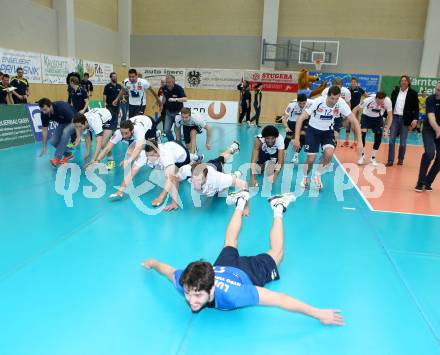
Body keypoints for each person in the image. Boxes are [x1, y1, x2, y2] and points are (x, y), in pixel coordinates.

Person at [142, 190, 344, 326]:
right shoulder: (187, 282)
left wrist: (318, 313)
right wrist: (152, 263)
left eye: (196, 296)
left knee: (277, 253)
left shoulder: (236, 295)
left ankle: (278, 208)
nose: (190, 300)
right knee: (229, 242)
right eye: (188, 294)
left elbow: (280, 300)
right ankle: (240, 201)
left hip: (248, 273)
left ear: (212, 288)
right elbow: (167, 270)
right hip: (220, 268)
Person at [294, 86, 363, 190]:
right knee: (311, 158)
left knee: (329, 154)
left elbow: (355, 121)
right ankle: (305, 177)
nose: (334, 101)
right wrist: (296, 138)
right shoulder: (318, 102)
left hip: (327, 131)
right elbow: (300, 119)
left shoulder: (341, 103)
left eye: (336, 98)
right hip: (313, 131)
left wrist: (360, 142)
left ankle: (317, 175)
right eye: (332, 98)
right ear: (327, 96)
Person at [109, 139, 199, 210]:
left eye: (151, 156)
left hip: (182, 156)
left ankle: (194, 158)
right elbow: (132, 172)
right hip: (171, 145)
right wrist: (120, 190)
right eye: (148, 156)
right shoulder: (145, 154)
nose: (149, 158)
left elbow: (170, 179)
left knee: (177, 176)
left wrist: (161, 198)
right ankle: (196, 157)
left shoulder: (166, 156)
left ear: (157, 151)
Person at [352, 92, 393, 166]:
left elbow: (390, 116)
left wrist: (386, 130)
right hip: (366, 117)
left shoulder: (388, 102)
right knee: (362, 135)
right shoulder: (368, 100)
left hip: (378, 118)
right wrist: (355, 123)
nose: (379, 103)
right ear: (375, 98)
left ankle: (373, 158)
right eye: (378, 101)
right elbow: (355, 109)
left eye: (381, 102)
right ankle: (362, 156)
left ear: (384, 99)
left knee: (378, 137)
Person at [386, 75, 419, 166]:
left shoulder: (413, 93)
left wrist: (415, 119)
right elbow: (390, 105)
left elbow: (416, 108)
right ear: (400, 82)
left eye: (405, 80)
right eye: (402, 80)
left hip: (405, 119)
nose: (403, 82)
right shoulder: (395, 92)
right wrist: (386, 116)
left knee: (403, 143)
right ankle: (390, 160)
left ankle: (400, 159)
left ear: (408, 82)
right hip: (395, 118)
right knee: (391, 140)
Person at [415, 83, 440, 192]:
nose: (438, 92)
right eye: (437, 89)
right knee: (430, 153)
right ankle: (420, 182)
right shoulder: (430, 99)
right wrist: (437, 129)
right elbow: (431, 117)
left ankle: (428, 182)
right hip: (429, 129)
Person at [38, 98, 76, 167]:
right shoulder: (44, 114)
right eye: (42, 110)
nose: (44, 112)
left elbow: (75, 122)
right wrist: (44, 146)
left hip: (75, 121)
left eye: (45, 110)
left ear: (50, 105)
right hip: (63, 123)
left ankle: (57, 158)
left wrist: (77, 136)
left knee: (66, 131)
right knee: (53, 141)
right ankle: (68, 155)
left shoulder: (62, 108)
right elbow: (44, 130)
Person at [282, 93, 313, 164]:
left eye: (303, 103)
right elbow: (284, 118)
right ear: (297, 102)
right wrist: (286, 127)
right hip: (292, 121)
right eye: (300, 103)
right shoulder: (291, 105)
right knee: (288, 137)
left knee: (302, 137)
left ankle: (295, 156)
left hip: (303, 121)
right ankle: (283, 154)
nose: (302, 105)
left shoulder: (311, 102)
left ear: (306, 101)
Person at [162, 75, 187, 141]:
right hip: (168, 112)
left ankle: (178, 142)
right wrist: (161, 104)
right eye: (166, 82)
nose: (167, 84)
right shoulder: (164, 88)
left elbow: (185, 99)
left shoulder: (178, 88)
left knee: (177, 130)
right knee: (166, 130)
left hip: (178, 113)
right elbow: (164, 96)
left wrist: (175, 99)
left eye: (169, 82)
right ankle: (172, 142)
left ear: (173, 82)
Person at [344, 77, 367, 148]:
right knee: (347, 126)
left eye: (354, 82)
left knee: (354, 127)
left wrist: (361, 104)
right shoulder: (348, 90)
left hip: (356, 111)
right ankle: (347, 141)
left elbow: (367, 96)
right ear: (350, 83)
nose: (353, 83)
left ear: (357, 83)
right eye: (352, 82)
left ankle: (355, 142)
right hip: (348, 110)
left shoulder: (360, 90)